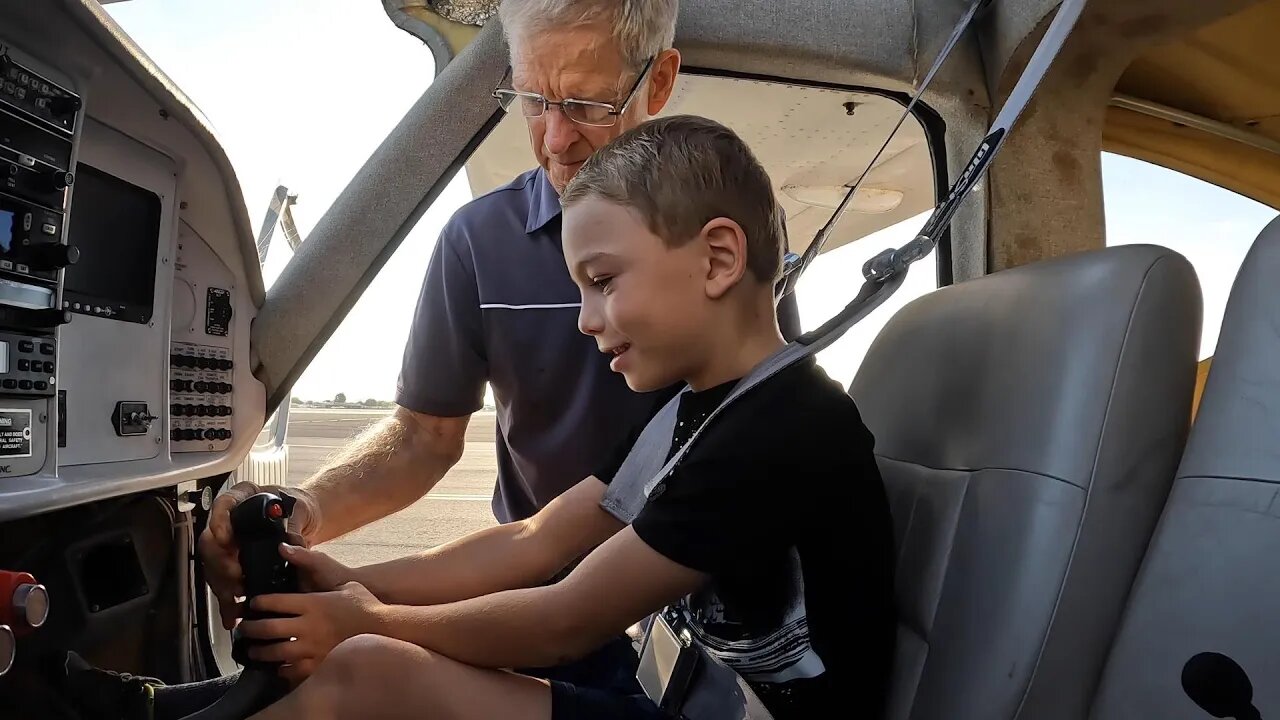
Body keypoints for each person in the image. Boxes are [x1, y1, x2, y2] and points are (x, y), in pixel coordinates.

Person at [219, 116, 895, 720]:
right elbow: (536, 540)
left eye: (602, 281)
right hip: (676, 696)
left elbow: (564, 620)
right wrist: (352, 584)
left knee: (367, 671)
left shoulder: (778, 430)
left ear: (717, 259)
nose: (584, 319)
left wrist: (367, 621)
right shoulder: (694, 410)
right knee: (369, 662)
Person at [198, 0, 800, 632]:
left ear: (659, 79)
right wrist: (308, 519)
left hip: (694, 616)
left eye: (587, 103)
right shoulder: (478, 241)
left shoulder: (733, 286)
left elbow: (751, 398)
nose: (556, 139)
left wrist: (368, 616)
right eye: (533, 100)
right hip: (518, 592)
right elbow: (453, 464)